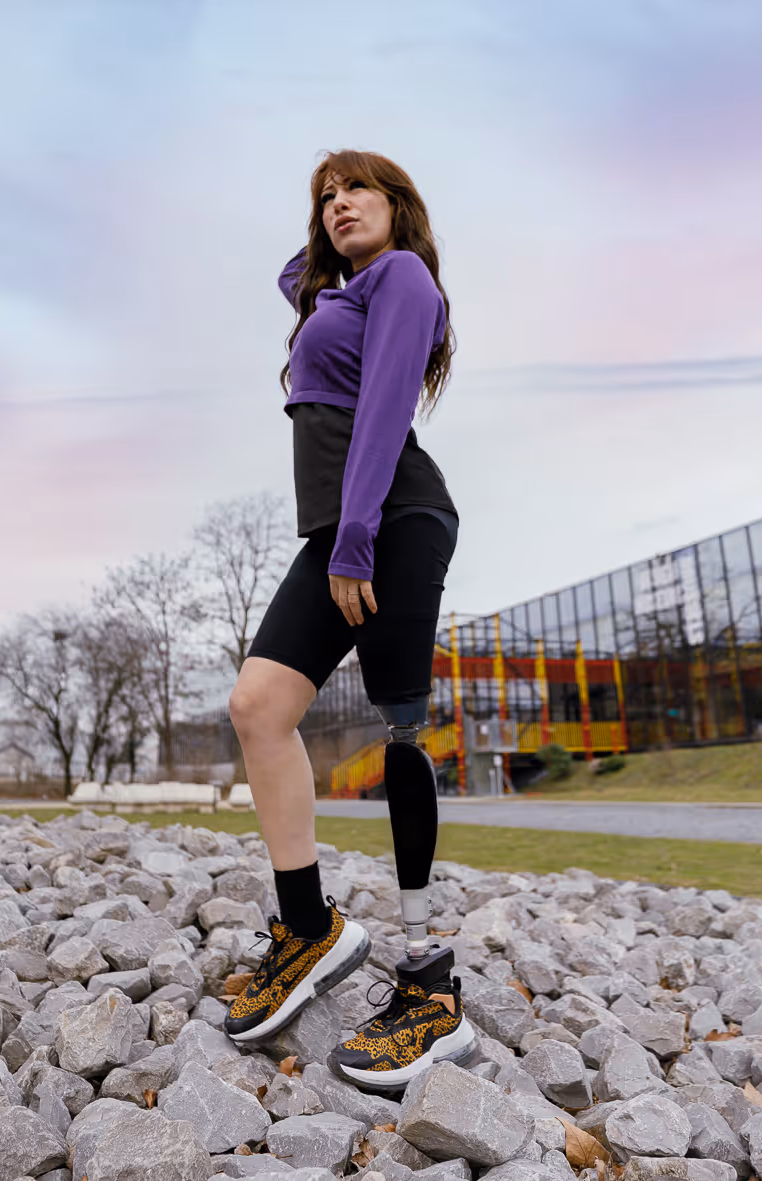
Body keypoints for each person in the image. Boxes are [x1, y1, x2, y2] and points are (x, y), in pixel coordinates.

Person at [224, 149, 474, 1091]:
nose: (336, 205)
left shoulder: (401, 276)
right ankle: (309, 927)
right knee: (258, 706)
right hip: (341, 527)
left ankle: (429, 990)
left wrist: (358, 539)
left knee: (400, 726)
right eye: (323, 197)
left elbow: (383, 409)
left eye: (356, 189)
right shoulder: (338, 290)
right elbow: (295, 274)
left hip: (390, 516)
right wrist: (330, 240)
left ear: (400, 205)